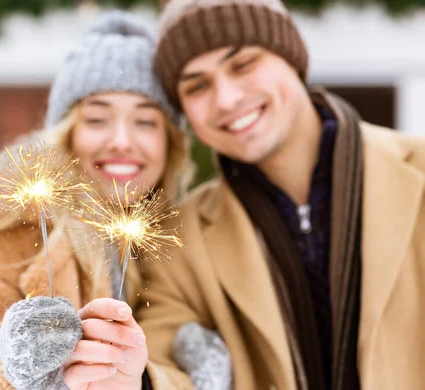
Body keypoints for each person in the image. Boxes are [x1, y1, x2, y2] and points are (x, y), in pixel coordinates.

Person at [124, 0, 425, 389]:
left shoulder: (418, 171)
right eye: (197, 85)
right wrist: (129, 375)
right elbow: (161, 366)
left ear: (293, 58)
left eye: (243, 64)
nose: (227, 98)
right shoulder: (179, 240)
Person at [0, 10, 224, 390]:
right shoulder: (15, 229)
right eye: (97, 119)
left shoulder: (175, 243)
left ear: (171, 144)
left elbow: (150, 371)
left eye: (146, 121)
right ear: (67, 135)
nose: (123, 140)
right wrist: (17, 379)